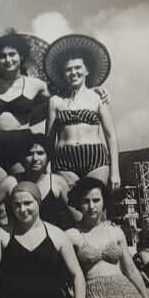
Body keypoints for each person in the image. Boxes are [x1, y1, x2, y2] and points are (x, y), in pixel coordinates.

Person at [44, 33, 121, 191]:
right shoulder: (55, 101)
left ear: (87, 70)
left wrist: (115, 171)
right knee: (74, 211)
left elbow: (111, 135)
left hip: (96, 160)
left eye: (78, 68)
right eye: (68, 70)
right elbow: (49, 140)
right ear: (63, 74)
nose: (73, 73)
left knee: (96, 209)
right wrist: (47, 171)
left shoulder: (98, 97)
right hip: (64, 161)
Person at [0, 30, 49, 189]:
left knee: (24, 195)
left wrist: (96, 91)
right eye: (2, 56)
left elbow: (61, 98)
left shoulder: (36, 85)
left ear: (21, 56)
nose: (7, 59)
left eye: (12, 54)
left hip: (23, 146)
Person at [0, 133, 80, 230]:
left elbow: (77, 216)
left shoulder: (57, 182)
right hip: (18, 239)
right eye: (29, 154)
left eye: (40, 153)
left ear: (48, 157)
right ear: (21, 158)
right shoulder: (10, 182)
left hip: (50, 241)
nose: (35, 158)